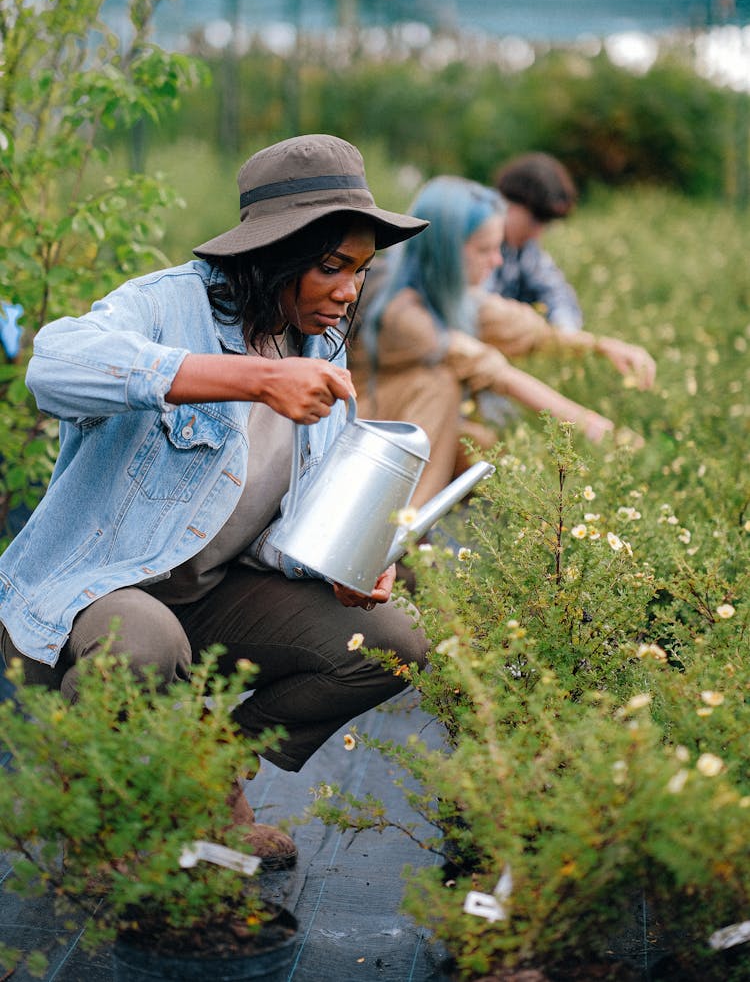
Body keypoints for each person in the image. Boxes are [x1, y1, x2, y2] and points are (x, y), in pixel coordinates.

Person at [0, 134, 431, 869]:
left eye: (360, 269)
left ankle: (207, 772)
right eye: (332, 266)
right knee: (144, 642)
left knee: (391, 646)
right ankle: (109, 839)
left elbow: (272, 521)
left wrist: (340, 561)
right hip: (98, 592)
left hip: (211, 595)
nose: (350, 290)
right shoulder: (168, 304)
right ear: (271, 252)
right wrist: (254, 381)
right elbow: (54, 364)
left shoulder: (319, 342)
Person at [351, 176, 656, 506]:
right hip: (363, 441)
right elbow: (496, 373)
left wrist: (602, 345)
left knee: (485, 447)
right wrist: (591, 426)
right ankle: (400, 537)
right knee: (440, 384)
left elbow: (529, 332)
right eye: (485, 249)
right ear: (447, 253)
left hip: (407, 432)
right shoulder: (401, 312)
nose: (497, 260)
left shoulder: (453, 298)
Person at [489, 152, 583, 330]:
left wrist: (564, 335)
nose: (537, 233)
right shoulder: (472, 240)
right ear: (509, 203)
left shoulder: (524, 250)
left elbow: (557, 293)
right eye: (534, 221)